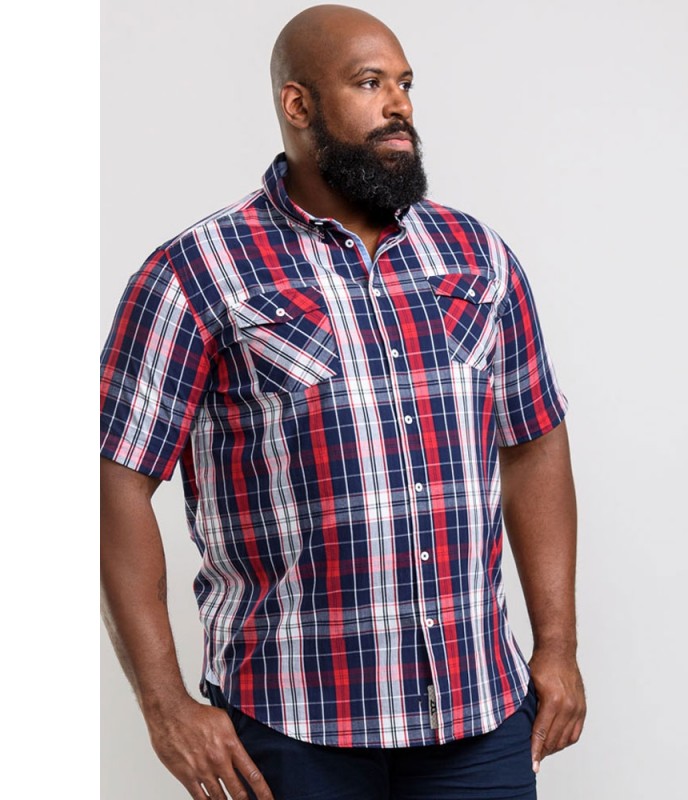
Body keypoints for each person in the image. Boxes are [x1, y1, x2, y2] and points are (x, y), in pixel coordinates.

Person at [100, 4, 586, 799]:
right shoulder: (197, 272)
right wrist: (164, 705)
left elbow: (534, 442)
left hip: (479, 716)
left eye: (405, 84)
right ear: (298, 104)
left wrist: (558, 646)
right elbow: (114, 477)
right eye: (369, 83)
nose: (399, 106)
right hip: (290, 726)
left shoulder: (478, 257)